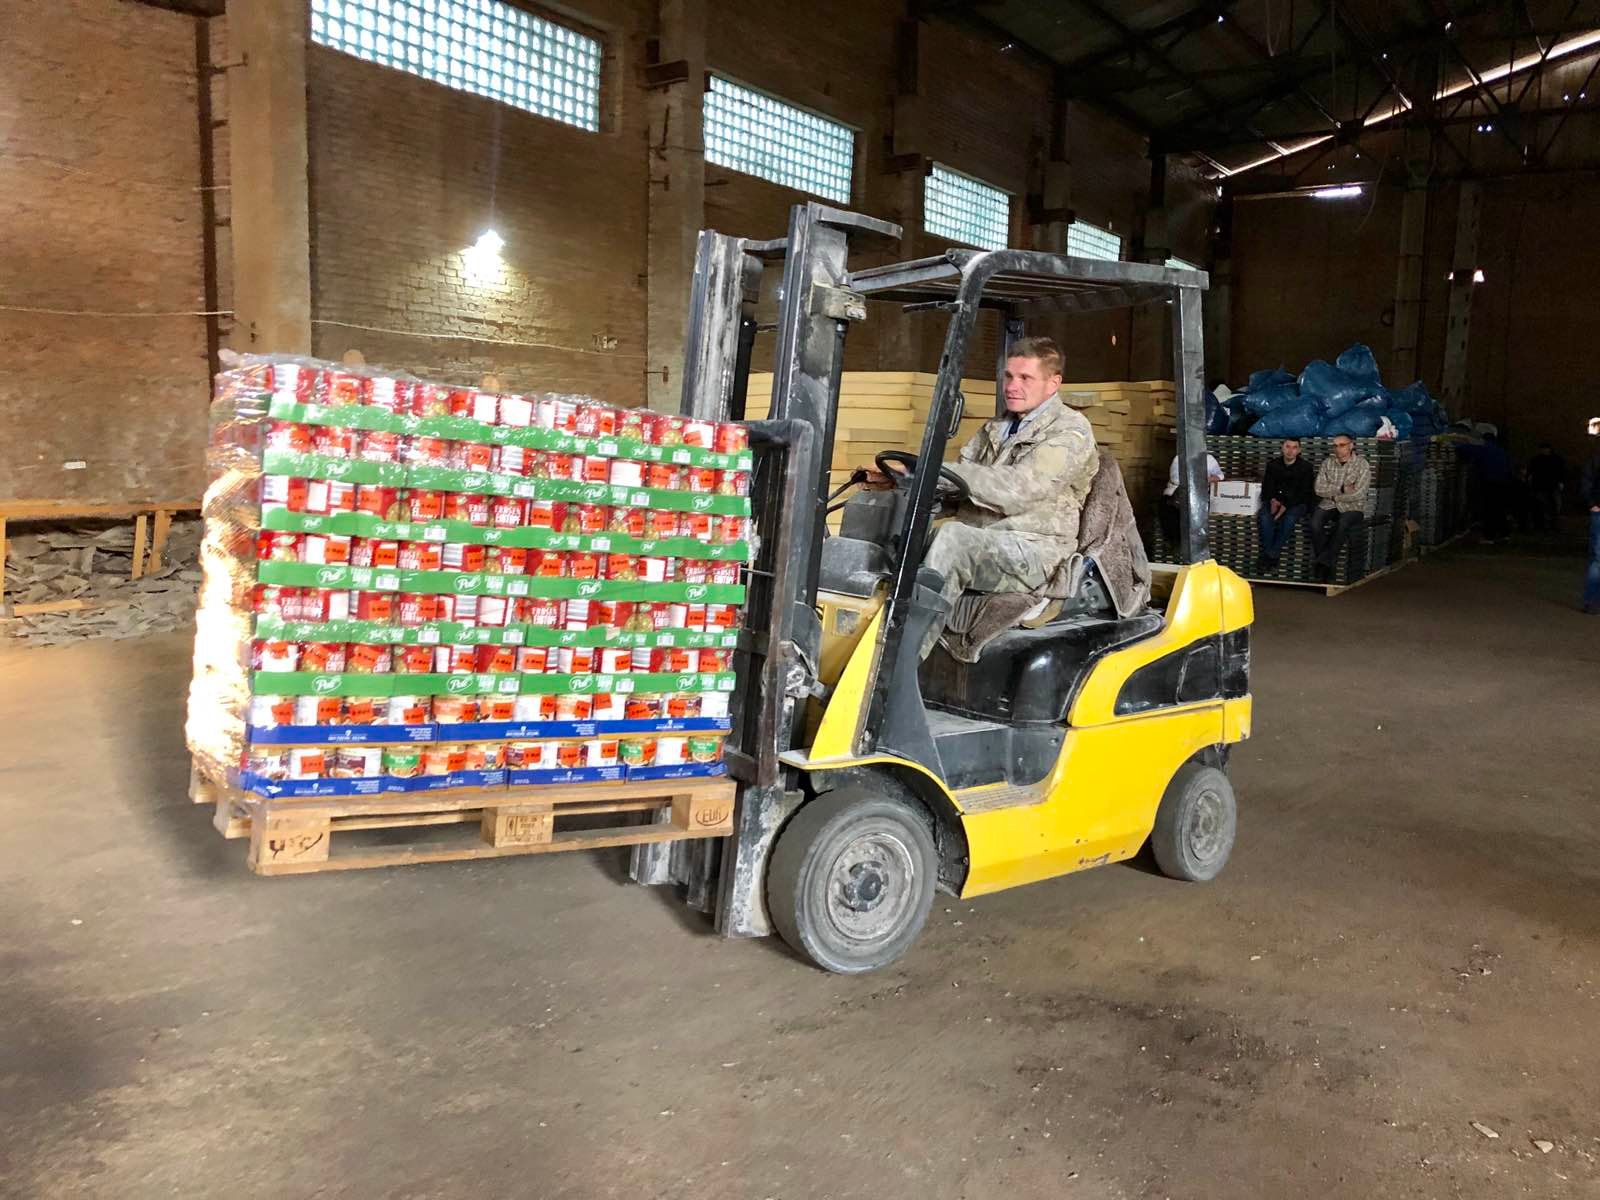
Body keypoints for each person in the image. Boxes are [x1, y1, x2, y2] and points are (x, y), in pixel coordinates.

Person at [866, 337, 1099, 656]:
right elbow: (961, 481)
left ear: (1053, 383)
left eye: (1025, 378)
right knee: (888, 535)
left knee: (953, 541)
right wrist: (903, 480)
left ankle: (897, 664)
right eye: (1009, 376)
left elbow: (1017, 490)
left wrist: (927, 472)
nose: (1012, 386)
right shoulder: (997, 427)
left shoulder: (1070, 431)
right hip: (987, 538)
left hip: (1034, 549)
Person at [1309, 435, 1371, 583]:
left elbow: (1359, 493)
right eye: (1335, 445)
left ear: (1351, 446)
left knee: (1343, 523)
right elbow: (1318, 489)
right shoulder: (1327, 463)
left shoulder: (1362, 464)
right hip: (1328, 504)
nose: (1338, 449)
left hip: (1353, 507)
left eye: (1342, 445)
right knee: (1314, 523)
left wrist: (1335, 495)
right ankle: (1327, 564)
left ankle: (1323, 562)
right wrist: (1342, 489)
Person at [1255, 437, 1315, 574]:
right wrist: (1273, 500)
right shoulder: (1273, 465)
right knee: (1264, 518)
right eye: (1288, 446)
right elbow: (1266, 488)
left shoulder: (1306, 467)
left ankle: (1270, 555)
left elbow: (1305, 492)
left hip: (1297, 502)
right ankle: (1271, 556)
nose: (1290, 451)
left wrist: (1286, 505)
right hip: (1274, 500)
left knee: (1289, 519)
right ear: (1282, 448)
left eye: (1294, 447)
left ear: (1299, 450)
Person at [1158, 448, 1223, 551]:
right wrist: (1198, 480)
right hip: (1177, 492)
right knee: (1170, 509)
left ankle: (1192, 545)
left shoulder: (1209, 459)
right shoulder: (1179, 459)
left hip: (1199, 496)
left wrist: (1209, 479)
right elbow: (1176, 478)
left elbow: (1220, 475)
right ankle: (1174, 543)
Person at [1528, 441, 1567, 532]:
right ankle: (1546, 526)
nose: (1544, 451)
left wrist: (1561, 482)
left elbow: (1561, 471)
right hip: (1543, 486)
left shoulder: (1553, 460)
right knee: (1545, 507)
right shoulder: (1539, 460)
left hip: (1550, 486)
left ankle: (1550, 525)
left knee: (1553, 507)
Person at [1582, 418, 1600, 614]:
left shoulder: (1595, 460)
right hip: (1599, 510)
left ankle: (1592, 600)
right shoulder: (1596, 460)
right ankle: (1592, 600)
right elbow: (1587, 481)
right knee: (1597, 557)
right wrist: (1592, 503)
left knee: (1597, 558)